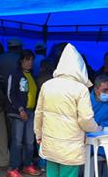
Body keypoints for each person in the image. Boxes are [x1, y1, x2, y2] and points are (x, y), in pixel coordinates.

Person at [34, 43, 100, 177]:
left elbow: (39, 113)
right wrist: (96, 129)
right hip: (71, 146)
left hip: (50, 142)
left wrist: (38, 134)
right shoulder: (80, 89)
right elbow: (85, 119)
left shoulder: (47, 85)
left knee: (51, 173)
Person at [6, 49, 41, 177]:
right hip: (18, 113)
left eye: (32, 60)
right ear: (21, 61)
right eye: (27, 59)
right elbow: (10, 94)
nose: (30, 62)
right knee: (17, 141)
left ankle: (27, 165)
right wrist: (20, 109)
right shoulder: (15, 74)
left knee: (30, 142)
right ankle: (13, 168)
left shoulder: (31, 75)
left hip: (30, 112)